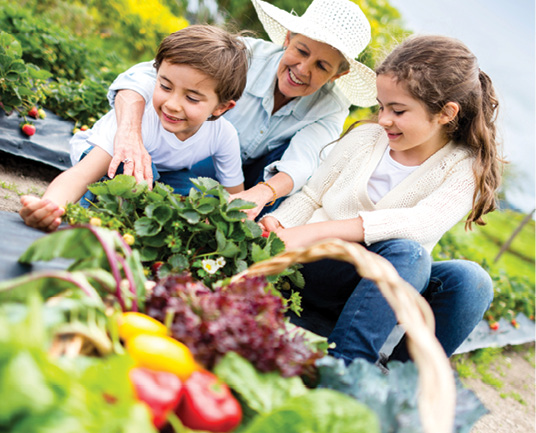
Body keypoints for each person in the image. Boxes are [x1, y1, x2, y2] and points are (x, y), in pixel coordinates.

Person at [260, 35, 503, 365]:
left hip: (383, 294)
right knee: (408, 255)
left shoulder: (463, 166)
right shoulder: (365, 138)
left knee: (470, 281)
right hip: (317, 270)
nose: (384, 119)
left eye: (398, 110)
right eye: (381, 106)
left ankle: (401, 383)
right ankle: (345, 371)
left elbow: (422, 223)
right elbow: (312, 195)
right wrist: (281, 226)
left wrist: (318, 230)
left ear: (446, 113)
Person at [105, 0, 378, 219]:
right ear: (287, 38)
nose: (303, 70)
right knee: (151, 181)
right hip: (185, 156)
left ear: (336, 76)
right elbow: (142, 78)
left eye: (322, 66)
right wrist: (129, 135)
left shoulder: (330, 106)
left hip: (243, 180)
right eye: (302, 51)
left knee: (298, 176)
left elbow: (303, 162)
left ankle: (241, 223)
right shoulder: (241, 56)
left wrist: (260, 194)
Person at [19, 25, 249, 232]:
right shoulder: (142, 119)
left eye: (191, 98)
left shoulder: (224, 135)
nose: (171, 104)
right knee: (126, 182)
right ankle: (100, 213)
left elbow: (236, 197)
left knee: (201, 194)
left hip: (163, 173)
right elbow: (80, 176)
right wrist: (48, 207)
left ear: (221, 107)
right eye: (165, 86)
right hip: (109, 161)